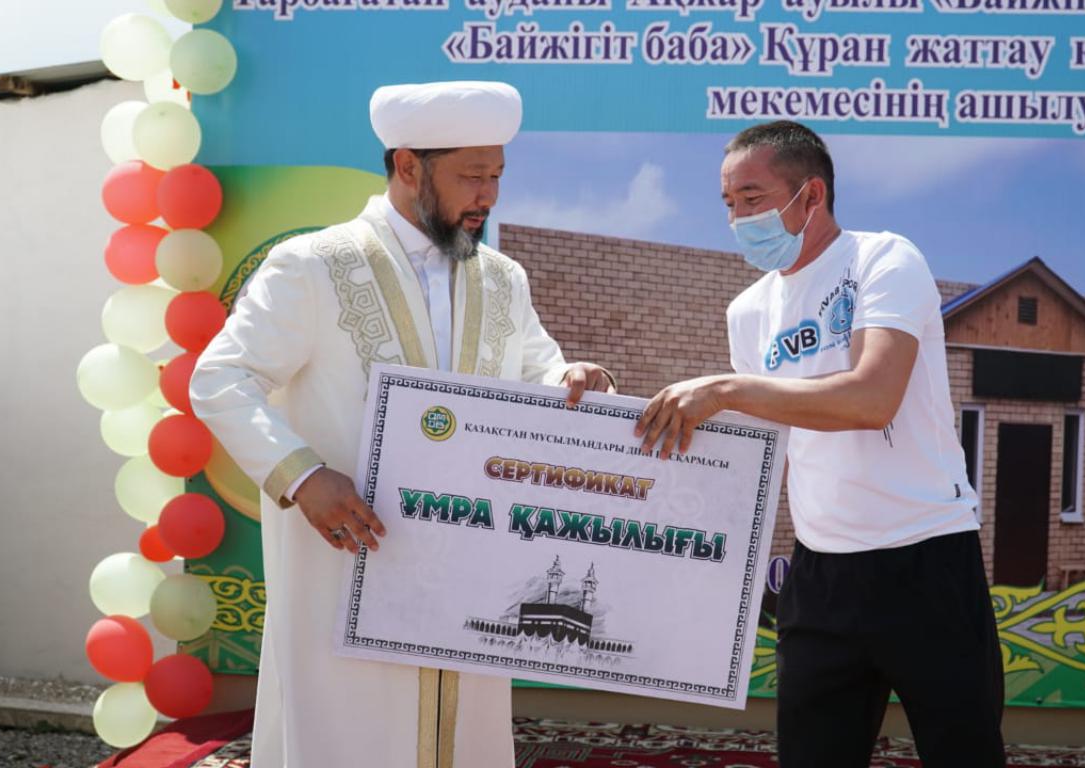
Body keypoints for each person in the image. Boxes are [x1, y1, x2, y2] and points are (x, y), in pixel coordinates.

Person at [192, 81, 615, 768]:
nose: (488, 195)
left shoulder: (501, 277)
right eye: (471, 176)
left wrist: (571, 379)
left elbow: (537, 370)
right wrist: (302, 476)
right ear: (409, 166)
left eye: (497, 175)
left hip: (468, 563)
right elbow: (221, 378)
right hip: (348, 552)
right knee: (349, 731)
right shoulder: (312, 265)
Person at [635, 120, 1005, 767]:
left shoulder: (883, 260)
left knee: (964, 754)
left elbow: (871, 398)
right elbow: (765, 447)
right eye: (728, 204)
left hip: (926, 559)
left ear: (811, 195)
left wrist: (724, 389)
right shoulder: (748, 312)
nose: (738, 220)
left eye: (752, 199)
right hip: (820, 577)